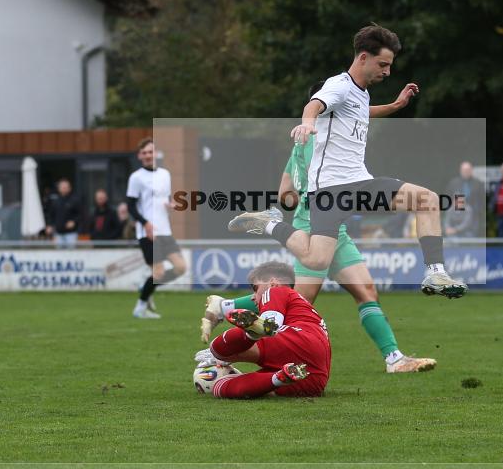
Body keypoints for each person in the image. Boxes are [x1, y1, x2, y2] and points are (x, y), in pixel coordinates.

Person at [227, 24, 466, 298]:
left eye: (389, 66)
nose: (387, 71)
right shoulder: (338, 85)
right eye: (383, 64)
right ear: (363, 57)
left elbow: (362, 112)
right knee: (316, 260)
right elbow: (313, 105)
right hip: (329, 191)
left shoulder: (361, 93)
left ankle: (435, 273)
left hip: (360, 183)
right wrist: (307, 124)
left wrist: (396, 106)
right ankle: (267, 222)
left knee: (427, 200)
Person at [203, 104, 436, 373]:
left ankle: (394, 359)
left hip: (329, 226)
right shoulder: (328, 140)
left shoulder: (301, 142)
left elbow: (285, 193)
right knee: (295, 301)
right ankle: (220, 337)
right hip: (316, 224)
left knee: (364, 290)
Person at [195, 262, 331, 399]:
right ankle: (278, 377)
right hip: (315, 377)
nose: (253, 297)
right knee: (221, 387)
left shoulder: (276, 290)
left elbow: (272, 323)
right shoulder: (302, 305)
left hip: (298, 338)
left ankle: (250, 336)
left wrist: (220, 355)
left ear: (272, 283)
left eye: (255, 288)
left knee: (216, 348)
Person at [126, 137, 187, 319]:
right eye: (144, 153)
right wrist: (145, 223)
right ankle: (140, 307)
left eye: (150, 152)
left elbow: (166, 199)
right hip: (147, 233)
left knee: (181, 268)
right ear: (139, 156)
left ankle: (147, 285)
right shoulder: (136, 178)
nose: (147, 155)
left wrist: (171, 204)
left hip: (165, 231)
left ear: (155, 154)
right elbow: (130, 206)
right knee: (158, 272)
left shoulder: (165, 174)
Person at [444, 161, 484, 237]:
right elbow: (447, 198)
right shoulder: (453, 183)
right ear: (460, 171)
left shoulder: (478, 183)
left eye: (468, 170)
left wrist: (478, 210)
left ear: (471, 171)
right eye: (464, 170)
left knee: (471, 236)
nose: (466, 172)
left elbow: (482, 200)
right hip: (456, 215)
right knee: (453, 237)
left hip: (474, 216)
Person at [45, 178, 81, 248]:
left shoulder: (75, 200)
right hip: (58, 234)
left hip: (71, 234)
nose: (64, 188)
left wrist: (74, 222)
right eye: (62, 187)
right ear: (59, 188)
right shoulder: (55, 201)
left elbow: (80, 215)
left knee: (72, 255)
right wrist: (49, 225)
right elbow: (51, 216)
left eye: (66, 187)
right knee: (59, 255)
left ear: (69, 188)